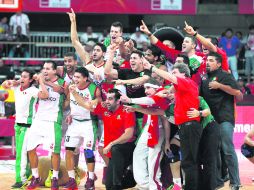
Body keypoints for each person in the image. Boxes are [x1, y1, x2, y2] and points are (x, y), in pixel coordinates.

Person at [143, 61, 202, 190]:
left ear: (183, 74)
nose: (172, 75)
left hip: (190, 125)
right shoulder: (182, 87)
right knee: (187, 161)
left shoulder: (186, 81)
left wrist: (152, 67)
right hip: (186, 126)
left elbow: (170, 79)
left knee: (189, 162)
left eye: (175, 72)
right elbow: (169, 89)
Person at [69, 88, 136, 190]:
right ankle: (128, 178)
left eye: (110, 99)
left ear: (118, 101)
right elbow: (85, 105)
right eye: (106, 98)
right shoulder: (104, 108)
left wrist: (111, 144)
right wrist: (74, 93)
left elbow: (128, 135)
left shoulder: (127, 111)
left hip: (126, 148)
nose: (106, 101)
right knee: (108, 184)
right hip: (113, 151)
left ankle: (121, 180)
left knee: (115, 151)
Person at [200, 52, 243, 190]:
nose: (207, 62)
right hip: (210, 120)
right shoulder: (204, 78)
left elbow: (239, 95)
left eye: (211, 60)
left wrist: (220, 86)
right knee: (214, 150)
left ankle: (235, 182)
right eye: (207, 60)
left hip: (225, 118)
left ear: (218, 63)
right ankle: (218, 180)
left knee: (228, 149)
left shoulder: (226, 75)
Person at [120, 78, 170, 190]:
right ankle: (144, 185)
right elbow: (150, 110)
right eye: (145, 88)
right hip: (149, 128)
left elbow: (153, 105)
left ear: (156, 88)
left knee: (153, 161)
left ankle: (155, 187)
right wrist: (134, 109)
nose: (146, 91)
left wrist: (130, 100)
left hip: (158, 130)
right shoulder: (152, 97)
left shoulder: (161, 95)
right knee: (138, 154)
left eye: (148, 88)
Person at [26, 61, 67, 190]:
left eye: (48, 68)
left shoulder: (62, 83)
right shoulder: (39, 81)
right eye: (43, 68)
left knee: (54, 152)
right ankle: (35, 176)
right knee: (30, 148)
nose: (44, 70)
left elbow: (59, 90)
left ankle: (54, 177)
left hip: (53, 121)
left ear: (55, 71)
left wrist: (42, 81)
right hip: (38, 120)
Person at [1, 69, 43, 189]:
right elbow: (4, 85)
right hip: (17, 125)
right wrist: (16, 81)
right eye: (21, 76)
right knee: (24, 154)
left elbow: (44, 95)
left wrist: (38, 79)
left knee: (21, 154)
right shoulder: (16, 88)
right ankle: (30, 177)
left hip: (27, 126)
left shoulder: (33, 91)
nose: (22, 79)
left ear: (30, 80)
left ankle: (21, 180)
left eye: (25, 77)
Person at [63, 67, 101, 190]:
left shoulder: (94, 89)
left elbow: (90, 107)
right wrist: (70, 114)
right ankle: (72, 179)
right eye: (74, 77)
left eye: (78, 77)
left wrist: (75, 94)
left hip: (88, 123)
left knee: (88, 152)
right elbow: (70, 103)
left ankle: (90, 179)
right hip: (74, 124)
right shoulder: (71, 87)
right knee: (68, 151)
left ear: (85, 78)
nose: (75, 79)